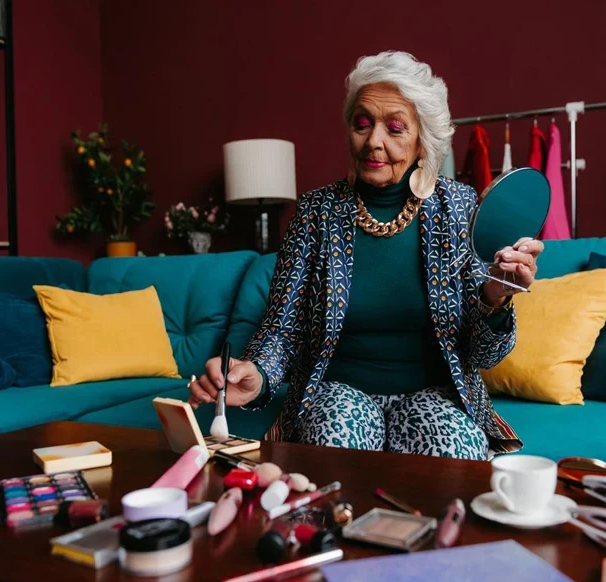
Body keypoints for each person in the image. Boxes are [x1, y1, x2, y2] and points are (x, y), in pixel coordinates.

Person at [188, 51, 543, 459]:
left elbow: (485, 355)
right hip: (339, 390)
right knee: (334, 450)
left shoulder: (459, 209)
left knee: (455, 457)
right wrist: (259, 374)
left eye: (395, 128)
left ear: (422, 139)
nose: (374, 140)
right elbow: (282, 330)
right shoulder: (315, 213)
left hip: (433, 393)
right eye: (362, 123)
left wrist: (495, 301)